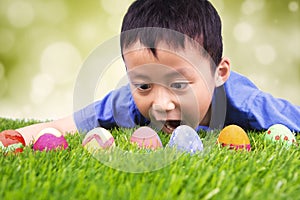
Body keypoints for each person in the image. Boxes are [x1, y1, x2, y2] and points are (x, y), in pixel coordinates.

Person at [16, 0, 300, 146]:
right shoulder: (128, 102)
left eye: (178, 83)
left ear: (218, 73)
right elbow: (71, 124)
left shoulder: (250, 106)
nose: (161, 104)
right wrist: (16, 136)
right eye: (143, 86)